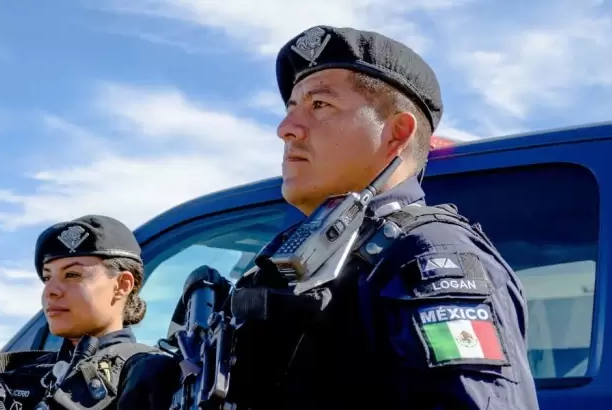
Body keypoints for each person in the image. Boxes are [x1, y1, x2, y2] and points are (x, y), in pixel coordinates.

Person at [224, 25, 541, 409]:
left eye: (319, 105)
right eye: (290, 109)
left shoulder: (427, 254)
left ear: (397, 133)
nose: (286, 129)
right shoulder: (303, 260)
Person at [0, 214, 164, 410]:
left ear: (122, 285)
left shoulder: (152, 374)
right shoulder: (7, 373)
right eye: (47, 278)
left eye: (72, 275)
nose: (50, 291)